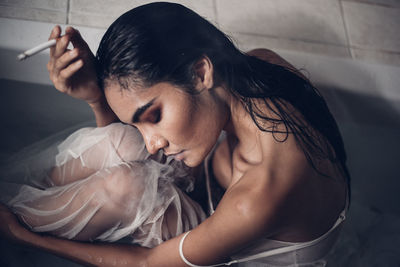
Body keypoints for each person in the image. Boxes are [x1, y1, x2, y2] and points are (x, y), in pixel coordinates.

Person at [0, 2, 350, 266]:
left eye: (154, 116)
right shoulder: (260, 67)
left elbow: (148, 263)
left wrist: (24, 237)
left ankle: (12, 221)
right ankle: (17, 209)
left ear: (201, 72)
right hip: (214, 205)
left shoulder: (263, 190)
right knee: (121, 143)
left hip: (233, 253)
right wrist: (96, 97)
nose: (152, 142)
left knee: (126, 189)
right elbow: (135, 141)